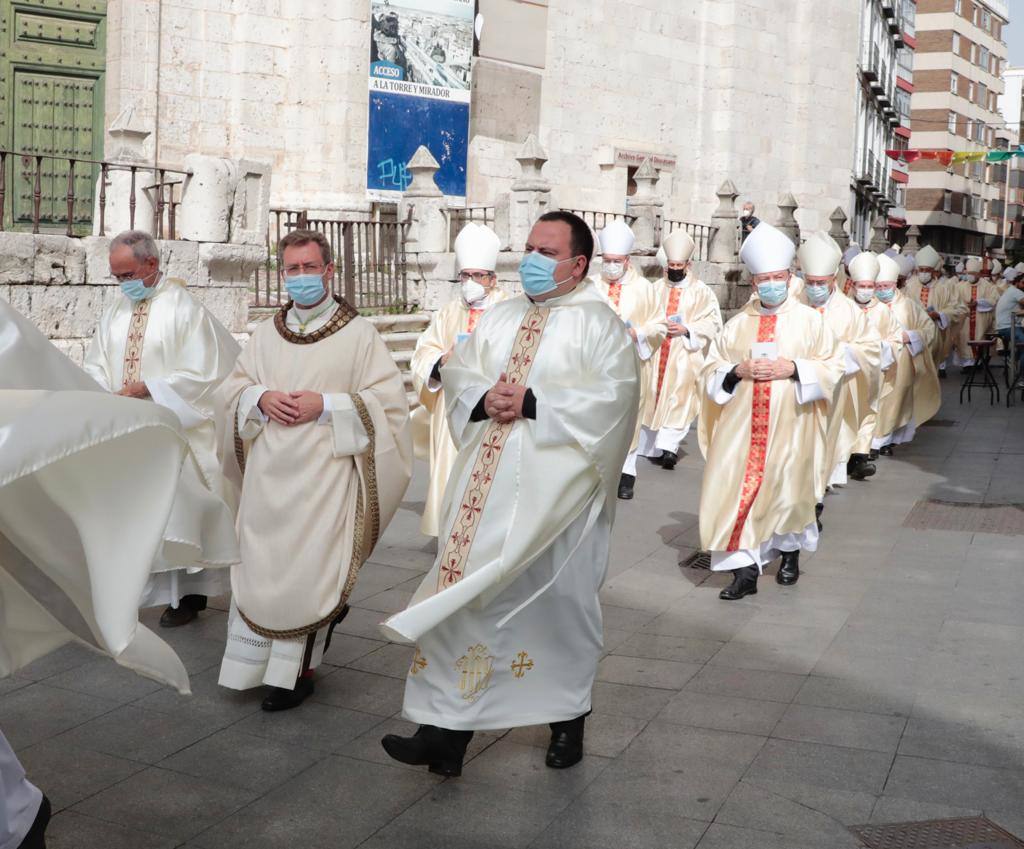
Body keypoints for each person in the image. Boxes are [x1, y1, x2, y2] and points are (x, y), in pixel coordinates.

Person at [379, 211, 640, 776]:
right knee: (466, 605)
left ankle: (567, 720)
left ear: (578, 263)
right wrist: (482, 398)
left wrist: (534, 403)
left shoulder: (600, 326)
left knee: (554, 610)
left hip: (559, 503)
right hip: (485, 492)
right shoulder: (499, 316)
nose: (531, 261)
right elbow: (460, 371)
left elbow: (614, 404)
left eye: (546, 252)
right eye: (527, 248)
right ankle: (444, 734)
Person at [218, 229, 412, 712]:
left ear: (328, 270)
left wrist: (325, 405)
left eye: (309, 267)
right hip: (268, 479)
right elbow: (231, 389)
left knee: (311, 574)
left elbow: (389, 407)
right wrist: (257, 397)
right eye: (292, 269)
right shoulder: (266, 333)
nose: (300, 277)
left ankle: (295, 674)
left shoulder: (359, 334)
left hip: (325, 479)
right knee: (263, 568)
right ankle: (253, 665)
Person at [83, 230, 241, 627]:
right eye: (117, 277)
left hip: (173, 427)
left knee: (179, 512)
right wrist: (104, 392)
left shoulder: (184, 309)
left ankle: (190, 596)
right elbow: (96, 361)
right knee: (139, 512)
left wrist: (150, 388)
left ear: (151, 265)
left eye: (128, 275)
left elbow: (206, 371)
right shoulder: (115, 312)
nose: (124, 285)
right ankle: (139, 591)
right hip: (128, 428)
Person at [698, 223, 843, 600]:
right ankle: (743, 571)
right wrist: (736, 371)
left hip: (793, 422)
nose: (772, 285)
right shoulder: (735, 325)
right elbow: (710, 368)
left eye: (779, 277)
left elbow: (834, 365)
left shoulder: (811, 322)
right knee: (735, 492)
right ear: (753, 283)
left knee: (788, 490)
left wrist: (794, 369)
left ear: (790, 277)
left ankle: (790, 555)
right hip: (741, 427)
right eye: (765, 279)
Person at [410, 224, 507, 537]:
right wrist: (440, 363)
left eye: (478, 276)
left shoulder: (509, 310)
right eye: (465, 276)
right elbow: (424, 351)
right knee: (451, 471)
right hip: (450, 407)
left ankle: (485, 535)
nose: (471, 283)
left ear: (493, 279)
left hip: (491, 408)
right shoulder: (449, 312)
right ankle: (448, 533)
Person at [797, 233, 882, 493]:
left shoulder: (850, 311)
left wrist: (843, 353)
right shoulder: (794, 305)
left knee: (831, 430)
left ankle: (826, 477)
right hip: (799, 382)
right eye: (810, 282)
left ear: (834, 279)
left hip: (835, 384)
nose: (814, 287)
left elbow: (871, 349)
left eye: (820, 282)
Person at [588, 219, 665, 500]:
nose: (610, 266)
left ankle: (627, 474)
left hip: (631, 364)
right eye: (606, 260)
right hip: (593, 367)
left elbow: (660, 326)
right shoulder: (589, 286)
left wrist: (638, 333)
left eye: (616, 261)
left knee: (628, 418)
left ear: (627, 260)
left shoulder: (645, 289)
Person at [638, 229, 722, 471]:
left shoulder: (702, 292)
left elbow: (713, 323)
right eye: (671, 264)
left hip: (684, 355)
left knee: (679, 398)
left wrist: (687, 330)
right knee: (651, 395)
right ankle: (650, 446)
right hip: (655, 354)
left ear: (688, 264)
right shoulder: (653, 289)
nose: (674, 269)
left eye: (678, 264)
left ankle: (669, 449)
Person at [871, 253, 940, 456]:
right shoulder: (869, 305)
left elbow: (928, 328)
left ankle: (882, 441)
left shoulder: (908, 305)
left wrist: (910, 337)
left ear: (895, 284)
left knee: (893, 401)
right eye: (879, 287)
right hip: (874, 361)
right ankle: (871, 441)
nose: (882, 291)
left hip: (901, 362)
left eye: (886, 286)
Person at [847, 253, 902, 464]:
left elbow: (896, 339)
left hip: (874, 370)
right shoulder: (844, 308)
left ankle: (861, 453)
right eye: (862, 285)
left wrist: (880, 348)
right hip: (849, 371)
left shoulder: (883, 311)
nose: (866, 290)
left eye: (870, 286)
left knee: (869, 409)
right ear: (852, 285)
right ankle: (848, 454)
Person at [902, 245, 966, 377]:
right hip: (914, 333)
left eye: (927, 270)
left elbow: (960, 309)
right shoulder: (909, 286)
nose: (924, 273)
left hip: (936, 334)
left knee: (929, 372)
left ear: (934, 272)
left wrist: (940, 315)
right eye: (921, 270)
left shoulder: (945, 288)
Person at [953, 255, 1001, 369]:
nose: (970, 276)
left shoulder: (988, 286)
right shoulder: (960, 287)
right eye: (969, 273)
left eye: (973, 273)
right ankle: (966, 365)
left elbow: (994, 301)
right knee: (964, 340)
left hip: (981, 320)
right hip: (965, 320)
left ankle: (978, 363)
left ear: (978, 274)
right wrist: (964, 305)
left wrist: (978, 303)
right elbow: (954, 302)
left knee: (980, 338)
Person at [995, 276, 1024, 379]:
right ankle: (1022, 377)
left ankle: (1012, 359)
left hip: (1007, 325)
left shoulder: (1011, 290)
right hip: (1007, 326)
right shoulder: (1016, 292)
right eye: (1023, 283)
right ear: (1016, 283)